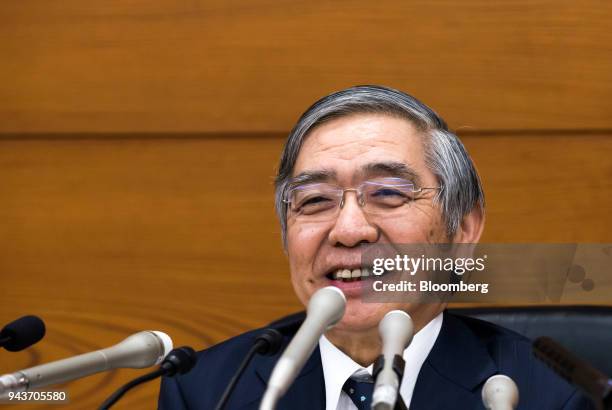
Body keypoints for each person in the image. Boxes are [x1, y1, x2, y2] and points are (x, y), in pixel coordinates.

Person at [158, 85, 592, 409]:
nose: (349, 230)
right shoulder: (209, 389)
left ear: (461, 231)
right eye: (315, 201)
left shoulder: (550, 395)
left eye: (388, 194)